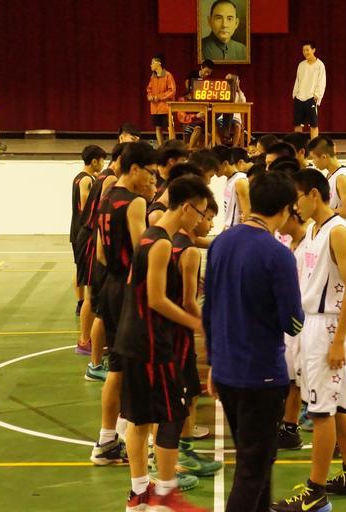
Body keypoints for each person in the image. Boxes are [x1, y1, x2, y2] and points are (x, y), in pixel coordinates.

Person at [203, 170, 304, 512]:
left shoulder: (220, 244)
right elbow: (293, 322)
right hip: (261, 374)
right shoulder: (278, 254)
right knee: (252, 467)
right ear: (287, 208)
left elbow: (209, 308)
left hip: (226, 370)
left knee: (258, 460)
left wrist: (213, 362)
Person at [270, 169, 346, 512]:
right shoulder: (314, 230)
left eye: (297, 197)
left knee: (321, 410)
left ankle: (315, 492)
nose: (295, 205)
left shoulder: (337, 231)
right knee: (338, 406)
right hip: (313, 324)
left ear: (314, 194)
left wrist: (338, 340)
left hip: (328, 327)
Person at [116, 175, 212, 511]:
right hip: (150, 344)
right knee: (171, 415)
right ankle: (166, 495)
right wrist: (198, 324)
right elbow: (156, 300)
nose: (200, 220)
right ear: (186, 208)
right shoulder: (160, 244)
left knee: (139, 420)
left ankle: (139, 493)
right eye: (200, 212)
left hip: (132, 339)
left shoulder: (149, 235)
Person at [89, 141, 158, 467]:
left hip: (110, 287)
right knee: (137, 367)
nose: (152, 178)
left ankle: (107, 440)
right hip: (130, 292)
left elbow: (101, 253)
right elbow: (142, 254)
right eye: (149, 171)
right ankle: (140, 441)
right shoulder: (135, 202)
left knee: (116, 366)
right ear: (135, 169)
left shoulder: (106, 198)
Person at [171, 195, 223, 478]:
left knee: (186, 392)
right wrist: (207, 328)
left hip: (165, 330)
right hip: (177, 333)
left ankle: (184, 450)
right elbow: (189, 302)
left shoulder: (169, 241)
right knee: (186, 393)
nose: (210, 224)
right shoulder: (189, 251)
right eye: (208, 217)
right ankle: (180, 455)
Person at [78, 143, 125, 382]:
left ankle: (90, 345)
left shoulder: (104, 176)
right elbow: (102, 213)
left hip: (91, 237)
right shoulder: (110, 179)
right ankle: (86, 344)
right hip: (92, 239)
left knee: (96, 300)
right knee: (95, 300)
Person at [275, 206, 310, 451]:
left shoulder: (312, 245)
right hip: (292, 318)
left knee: (305, 381)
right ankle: (289, 427)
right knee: (291, 378)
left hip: (305, 320)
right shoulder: (291, 245)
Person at [71, 145, 107, 356]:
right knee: (88, 281)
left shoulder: (78, 177)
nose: (103, 164)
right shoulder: (87, 180)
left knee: (81, 273)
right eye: (102, 160)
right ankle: (85, 339)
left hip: (78, 230)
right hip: (83, 232)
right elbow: (87, 207)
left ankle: (81, 305)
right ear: (94, 161)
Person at [307, 135, 346, 234]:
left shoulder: (341, 178)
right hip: (330, 229)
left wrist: (323, 211)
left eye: (314, 158)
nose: (313, 162)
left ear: (323, 157)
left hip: (341, 232)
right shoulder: (330, 175)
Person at [292, 40, 326, 139]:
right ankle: (298, 145)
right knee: (298, 125)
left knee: (313, 125)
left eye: (307, 50)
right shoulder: (301, 65)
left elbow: (322, 82)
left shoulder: (319, 65)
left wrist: (317, 96)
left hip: (311, 98)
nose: (305, 52)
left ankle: (314, 146)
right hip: (299, 98)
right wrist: (295, 94)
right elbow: (297, 80)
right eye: (303, 50)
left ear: (313, 50)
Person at [213, 145, 250, 229]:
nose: (213, 169)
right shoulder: (229, 179)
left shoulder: (240, 181)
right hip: (230, 229)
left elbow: (247, 214)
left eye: (215, 166)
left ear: (225, 163)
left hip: (237, 231)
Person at [147, 54, 176, 146]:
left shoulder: (168, 75)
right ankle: (161, 147)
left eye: (152, 62)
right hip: (155, 107)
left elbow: (172, 91)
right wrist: (150, 96)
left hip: (166, 107)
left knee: (170, 127)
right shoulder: (153, 76)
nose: (151, 65)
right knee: (158, 128)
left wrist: (159, 97)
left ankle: (173, 147)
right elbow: (149, 89)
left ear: (158, 63)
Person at [215, 74, 247, 146]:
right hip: (222, 116)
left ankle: (234, 147)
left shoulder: (239, 94)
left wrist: (238, 88)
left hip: (235, 117)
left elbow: (244, 103)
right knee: (214, 126)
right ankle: (220, 145)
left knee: (237, 126)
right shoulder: (222, 92)